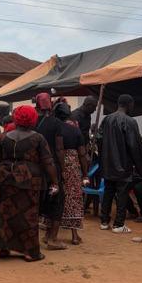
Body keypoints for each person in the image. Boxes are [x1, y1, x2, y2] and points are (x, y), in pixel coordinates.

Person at [0, 105, 58, 262]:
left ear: (16, 118)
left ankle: (4, 248)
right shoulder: (38, 138)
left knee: (5, 213)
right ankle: (30, 252)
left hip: (5, 178)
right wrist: (55, 182)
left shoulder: (3, 137)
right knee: (28, 216)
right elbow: (48, 161)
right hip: (29, 180)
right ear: (33, 119)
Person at [99, 94, 142, 233]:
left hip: (108, 164)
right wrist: (140, 167)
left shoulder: (106, 119)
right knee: (122, 193)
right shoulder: (130, 121)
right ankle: (118, 225)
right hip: (123, 165)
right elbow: (134, 146)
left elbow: (99, 139)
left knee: (108, 191)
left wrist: (103, 159)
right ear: (129, 104)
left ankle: (104, 221)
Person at [54, 102, 88, 244]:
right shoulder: (75, 130)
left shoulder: (54, 128)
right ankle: (74, 235)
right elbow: (82, 154)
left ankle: (51, 234)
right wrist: (85, 174)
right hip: (73, 166)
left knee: (56, 197)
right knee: (73, 199)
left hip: (55, 165)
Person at [35, 92, 66, 250]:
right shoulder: (56, 123)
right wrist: (62, 169)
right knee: (57, 200)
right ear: (51, 105)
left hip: (35, 167)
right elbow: (59, 149)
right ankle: (52, 238)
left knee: (37, 202)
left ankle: (39, 237)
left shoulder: (32, 121)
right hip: (52, 168)